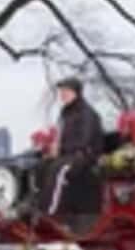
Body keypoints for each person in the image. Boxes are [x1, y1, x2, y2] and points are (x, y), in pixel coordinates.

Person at [36, 77, 105, 222]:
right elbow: (60, 136)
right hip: (68, 154)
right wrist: (51, 149)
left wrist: (60, 149)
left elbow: (84, 141)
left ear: (76, 93)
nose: (62, 95)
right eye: (61, 91)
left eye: (66, 91)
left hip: (85, 155)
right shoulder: (65, 114)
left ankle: (50, 214)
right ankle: (37, 206)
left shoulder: (87, 113)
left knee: (59, 169)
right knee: (42, 166)